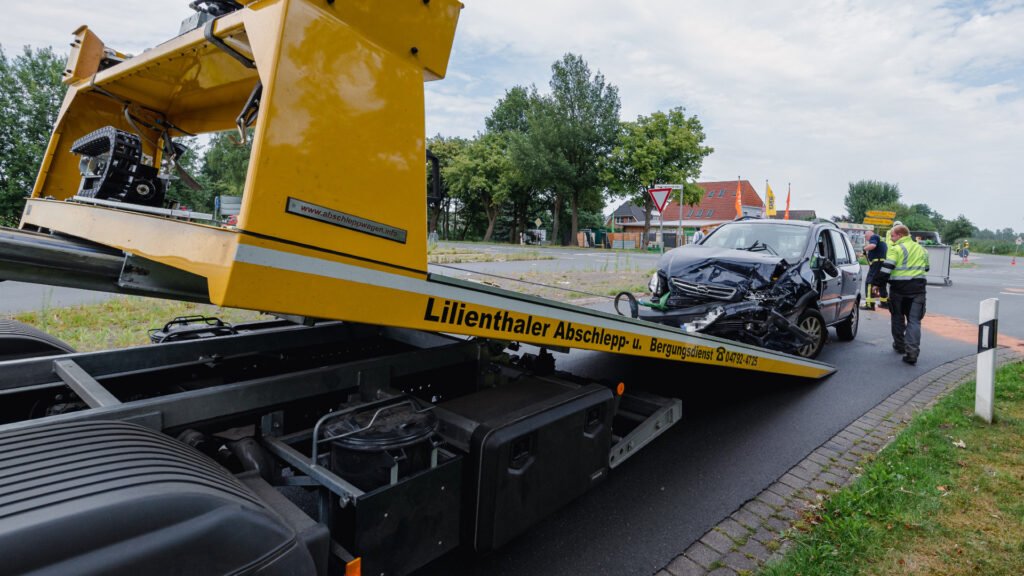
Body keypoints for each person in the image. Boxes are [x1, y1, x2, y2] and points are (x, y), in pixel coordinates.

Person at [873, 224, 929, 365]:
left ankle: (900, 345)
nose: (891, 239)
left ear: (900, 235)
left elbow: (887, 269)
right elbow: (926, 268)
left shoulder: (895, 249)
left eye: (892, 236)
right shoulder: (922, 249)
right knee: (914, 321)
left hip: (899, 291)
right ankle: (912, 353)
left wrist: (877, 284)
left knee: (898, 318)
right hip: (917, 290)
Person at [862, 229, 888, 310]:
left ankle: (869, 304)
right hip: (882, 263)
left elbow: (873, 245)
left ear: (869, 234)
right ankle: (884, 303)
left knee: (870, 282)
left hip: (877, 263)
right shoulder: (880, 239)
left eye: (866, 237)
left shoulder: (874, 236)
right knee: (881, 283)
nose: (866, 239)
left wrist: (864, 249)